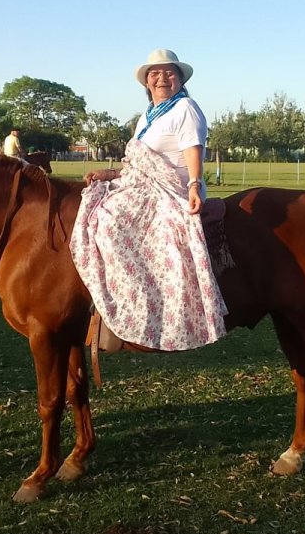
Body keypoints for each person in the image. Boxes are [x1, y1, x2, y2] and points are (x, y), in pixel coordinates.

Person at [70, 49, 228, 351]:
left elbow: (193, 148)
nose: (162, 78)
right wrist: (111, 173)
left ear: (180, 79)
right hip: (142, 181)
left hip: (171, 187)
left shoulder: (185, 108)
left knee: (111, 220)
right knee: (93, 205)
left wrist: (195, 184)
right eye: (155, 73)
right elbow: (141, 159)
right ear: (147, 82)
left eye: (169, 72)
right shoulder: (149, 114)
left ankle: (140, 301)